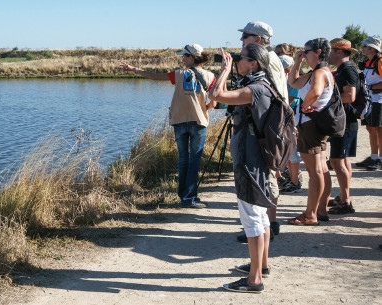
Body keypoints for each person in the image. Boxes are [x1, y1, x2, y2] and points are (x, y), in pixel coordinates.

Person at [209, 43, 280, 293]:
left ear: (254, 64)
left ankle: (254, 280)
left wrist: (225, 70)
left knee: (252, 219)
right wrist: (231, 71)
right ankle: (261, 266)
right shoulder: (263, 85)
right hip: (256, 159)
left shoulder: (256, 89)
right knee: (260, 217)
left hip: (250, 161)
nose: (238, 61)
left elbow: (216, 96)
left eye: (242, 58)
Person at [120, 44, 216, 209]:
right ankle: (189, 197)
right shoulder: (210, 76)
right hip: (199, 123)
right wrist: (202, 109)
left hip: (179, 122)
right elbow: (214, 102)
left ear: (192, 57)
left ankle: (183, 196)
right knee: (194, 161)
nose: (182, 58)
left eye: (185, 56)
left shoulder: (178, 74)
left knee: (183, 159)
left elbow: (155, 76)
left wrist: (134, 69)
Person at [235, 21, 287, 243]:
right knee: (265, 179)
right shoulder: (268, 59)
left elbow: (271, 94)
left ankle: (268, 225)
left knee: (267, 179)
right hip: (265, 126)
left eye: (245, 36)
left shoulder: (269, 60)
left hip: (265, 129)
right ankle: (264, 225)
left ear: (258, 39)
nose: (241, 40)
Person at [287, 38, 334, 225]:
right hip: (315, 125)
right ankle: (320, 210)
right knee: (321, 169)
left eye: (307, 51)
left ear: (319, 52)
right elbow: (294, 82)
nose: (304, 54)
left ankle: (311, 214)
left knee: (314, 172)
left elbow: (314, 92)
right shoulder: (317, 72)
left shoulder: (320, 73)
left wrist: (305, 107)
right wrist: (297, 62)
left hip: (310, 126)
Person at [326, 38, 359, 215]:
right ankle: (343, 196)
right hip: (346, 120)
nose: (328, 54)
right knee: (343, 160)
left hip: (344, 121)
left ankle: (346, 201)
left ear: (339, 52)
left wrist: (328, 100)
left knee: (337, 161)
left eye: (331, 51)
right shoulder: (346, 69)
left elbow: (350, 96)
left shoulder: (346, 70)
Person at [278, 54, 303, 194]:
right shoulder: (284, 79)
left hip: (292, 118)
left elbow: (291, 100)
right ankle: (291, 179)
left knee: (293, 151)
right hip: (284, 118)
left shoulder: (294, 81)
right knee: (286, 151)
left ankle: (295, 181)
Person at [356, 36, 382, 170]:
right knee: (371, 128)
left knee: (379, 129)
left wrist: (370, 87)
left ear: (372, 48)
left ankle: (380, 159)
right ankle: (373, 156)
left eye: (365, 46)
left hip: (379, 100)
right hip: (371, 100)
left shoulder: (380, 61)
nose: (363, 48)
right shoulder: (369, 62)